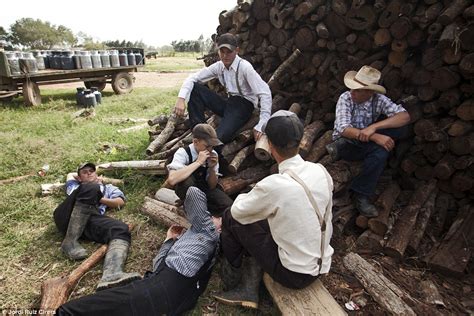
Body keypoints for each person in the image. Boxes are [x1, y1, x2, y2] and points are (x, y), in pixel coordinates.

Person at [214, 110, 334, 309]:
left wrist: (249, 199)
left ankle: (234, 279)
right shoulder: (320, 171)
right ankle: (246, 277)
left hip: (294, 274)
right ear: (300, 140)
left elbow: (237, 212)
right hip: (320, 266)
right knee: (261, 219)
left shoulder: (275, 185)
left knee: (230, 218)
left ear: (269, 145)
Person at [57, 187, 222, 316]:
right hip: (171, 297)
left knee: (72, 310)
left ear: (219, 227)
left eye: (216, 218)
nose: (213, 218)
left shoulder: (207, 229)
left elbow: (193, 193)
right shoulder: (200, 240)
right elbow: (159, 265)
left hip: (162, 288)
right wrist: (168, 241)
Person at [326, 65, 411, 217]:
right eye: (353, 88)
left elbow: (404, 117)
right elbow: (343, 129)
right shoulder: (346, 98)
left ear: (370, 92)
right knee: (377, 146)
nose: (353, 92)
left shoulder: (378, 100)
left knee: (384, 149)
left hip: (364, 142)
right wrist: (374, 136)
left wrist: (374, 127)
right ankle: (340, 148)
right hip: (348, 141)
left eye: (358, 90)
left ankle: (360, 194)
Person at [53, 162, 140, 291]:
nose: (89, 173)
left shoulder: (108, 188)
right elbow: (70, 174)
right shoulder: (75, 185)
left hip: (90, 219)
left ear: (97, 173)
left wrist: (98, 196)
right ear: (79, 177)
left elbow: (119, 202)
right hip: (66, 215)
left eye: (91, 171)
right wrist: (88, 184)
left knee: (120, 228)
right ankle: (70, 242)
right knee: (90, 188)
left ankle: (112, 274)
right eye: (84, 172)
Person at [173, 33, 272, 143]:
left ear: (237, 50)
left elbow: (265, 92)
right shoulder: (219, 66)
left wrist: (262, 123)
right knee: (195, 89)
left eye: (229, 52)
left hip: (244, 107)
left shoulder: (244, 67)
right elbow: (192, 78)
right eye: (222, 52)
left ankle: (211, 152)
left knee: (219, 138)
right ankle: (199, 134)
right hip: (229, 104)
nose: (225, 56)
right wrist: (181, 98)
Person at [166, 123, 233, 216]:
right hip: (188, 190)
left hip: (204, 189)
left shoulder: (213, 154)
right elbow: (172, 180)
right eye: (207, 146)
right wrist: (198, 162)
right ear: (195, 142)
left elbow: (212, 186)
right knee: (187, 181)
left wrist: (212, 168)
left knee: (228, 205)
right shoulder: (183, 153)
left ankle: (209, 213)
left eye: (212, 146)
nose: (210, 149)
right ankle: (190, 207)